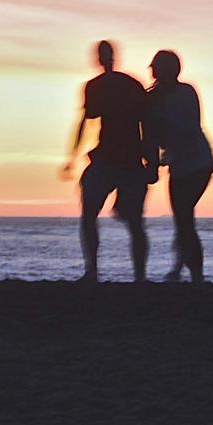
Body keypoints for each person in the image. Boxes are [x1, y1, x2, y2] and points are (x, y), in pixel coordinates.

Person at [61, 40, 157, 283]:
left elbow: (146, 123)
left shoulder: (113, 85)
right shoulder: (117, 85)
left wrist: (152, 161)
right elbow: (87, 120)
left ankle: (131, 275)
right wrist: (72, 157)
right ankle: (99, 271)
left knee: (128, 220)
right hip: (112, 158)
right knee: (100, 216)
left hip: (124, 159)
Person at [146, 50, 213, 285]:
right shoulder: (153, 98)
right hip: (179, 164)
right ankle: (180, 268)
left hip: (197, 162)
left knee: (184, 217)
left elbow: (190, 127)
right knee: (183, 218)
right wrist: (154, 164)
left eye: (155, 66)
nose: (151, 71)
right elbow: (151, 136)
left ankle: (194, 273)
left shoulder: (185, 92)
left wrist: (159, 159)